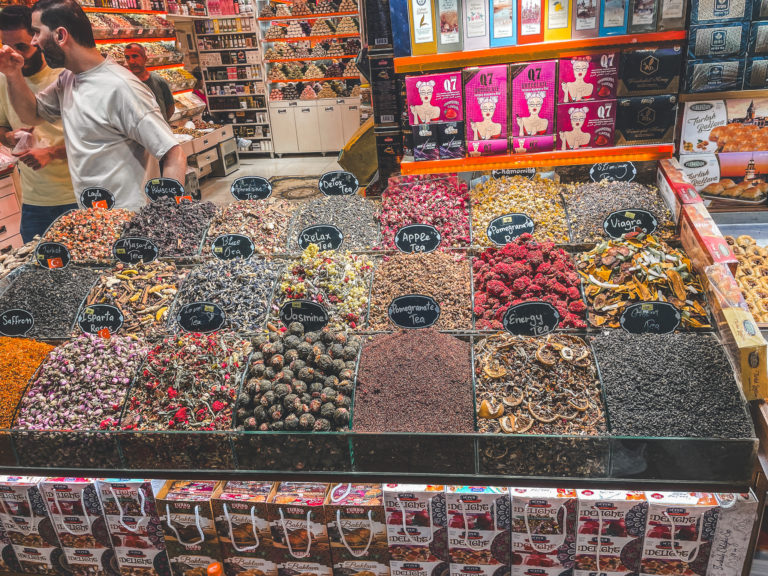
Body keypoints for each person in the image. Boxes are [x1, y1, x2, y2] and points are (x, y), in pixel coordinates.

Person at [0, 0, 186, 212]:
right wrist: (13, 73)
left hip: (130, 220)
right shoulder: (69, 79)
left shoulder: (121, 87)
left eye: (36, 32)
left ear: (60, 35)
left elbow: (173, 152)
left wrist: (167, 215)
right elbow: (32, 115)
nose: (33, 42)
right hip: (95, 217)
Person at [0, 5, 76, 242]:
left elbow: (96, 139)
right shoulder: (3, 79)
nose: (14, 55)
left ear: (37, 39)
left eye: (21, 47)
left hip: (77, 195)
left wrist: (52, 153)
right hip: (35, 203)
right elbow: (2, 127)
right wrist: (9, 137)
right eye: (7, 47)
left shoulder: (67, 76)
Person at [124, 42, 174, 121]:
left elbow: (170, 108)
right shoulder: (125, 84)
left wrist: (161, 124)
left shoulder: (159, 81)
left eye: (135, 56)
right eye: (127, 57)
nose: (131, 61)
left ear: (145, 58)